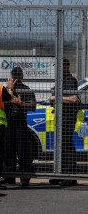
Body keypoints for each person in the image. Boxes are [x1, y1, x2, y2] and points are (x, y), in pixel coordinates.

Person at [2, 67, 36, 187]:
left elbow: (33, 105)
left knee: (23, 152)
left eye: (18, 75)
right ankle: (8, 177)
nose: (15, 78)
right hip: (8, 124)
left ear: (21, 76)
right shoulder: (6, 90)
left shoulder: (26, 89)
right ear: (10, 76)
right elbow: (1, 103)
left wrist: (21, 103)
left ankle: (24, 178)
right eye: (14, 75)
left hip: (21, 124)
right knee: (7, 151)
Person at [48, 58, 79, 187]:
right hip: (60, 117)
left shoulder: (70, 80)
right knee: (60, 146)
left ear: (66, 67)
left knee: (67, 146)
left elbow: (74, 98)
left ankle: (69, 176)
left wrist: (56, 97)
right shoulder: (60, 81)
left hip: (67, 117)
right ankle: (59, 173)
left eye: (61, 67)